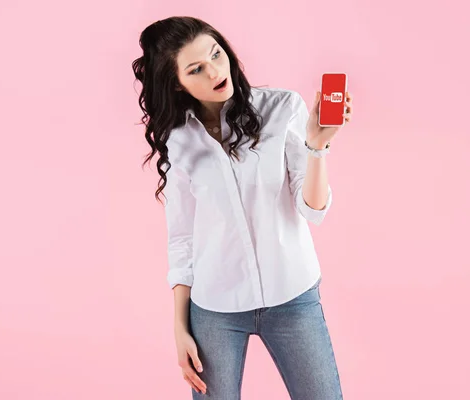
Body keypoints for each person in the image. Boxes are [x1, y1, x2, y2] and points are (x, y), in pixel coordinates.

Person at [132, 16, 352, 400]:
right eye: (195, 69)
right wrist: (179, 326)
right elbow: (182, 237)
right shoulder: (178, 139)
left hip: (293, 296)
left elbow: (313, 209)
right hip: (214, 308)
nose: (215, 71)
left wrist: (317, 145)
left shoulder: (283, 108)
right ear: (177, 82)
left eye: (216, 54)